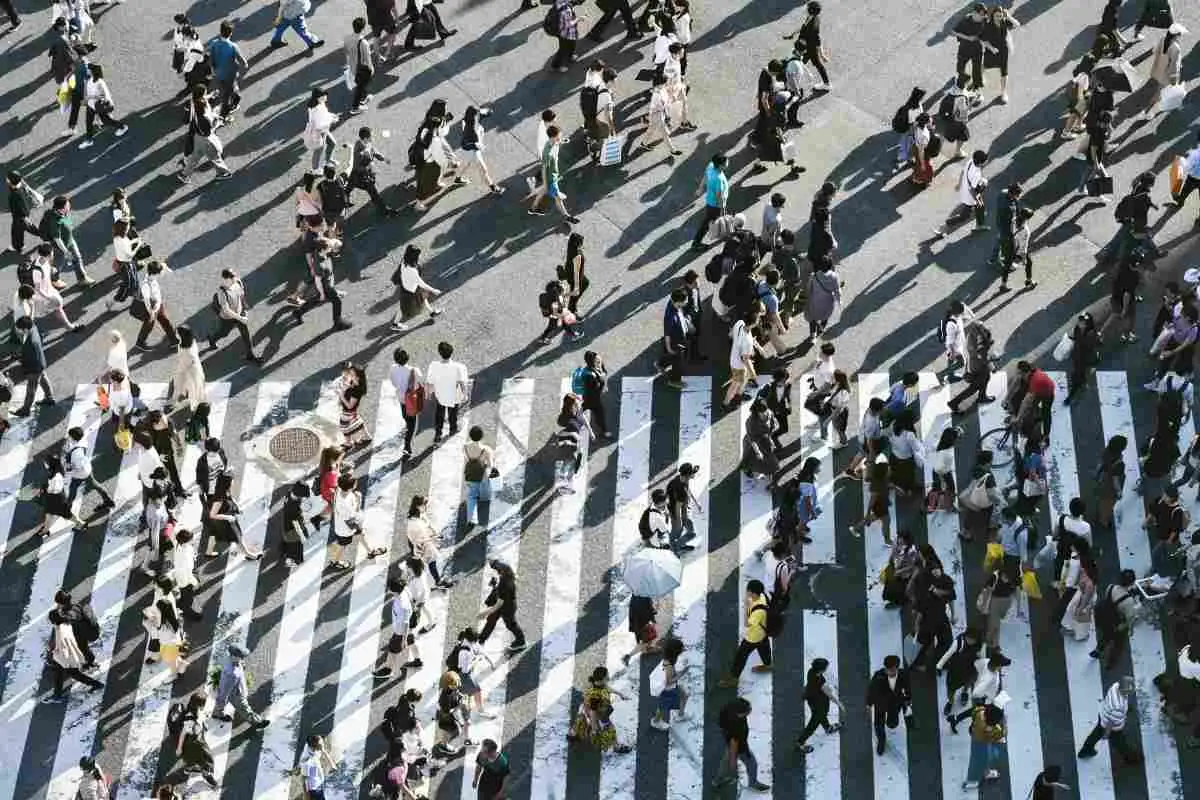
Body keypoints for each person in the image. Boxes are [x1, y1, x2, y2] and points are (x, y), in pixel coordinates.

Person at [719, 580, 772, 687]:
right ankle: (768, 665)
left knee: (740, 656)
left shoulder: (758, 611)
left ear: (753, 593)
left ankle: (734, 678)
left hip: (753, 637)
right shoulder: (763, 596)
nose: (747, 592)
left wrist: (746, 606)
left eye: (748, 591)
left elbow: (747, 624)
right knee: (764, 648)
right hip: (763, 633)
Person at [1078, 677, 1141, 764]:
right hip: (1113, 727)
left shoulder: (1115, 686)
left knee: (1097, 732)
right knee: (1120, 743)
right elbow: (1111, 722)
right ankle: (1130, 758)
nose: (1134, 689)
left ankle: (1086, 750)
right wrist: (1107, 733)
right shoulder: (1118, 707)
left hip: (1104, 714)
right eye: (1131, 688)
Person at [45, 607, 104, 700]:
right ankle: (57, 694)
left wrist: (52, 651)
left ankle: (96, 684)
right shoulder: (70, 621)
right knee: (60, 669)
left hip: (70, 654)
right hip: (76, 648)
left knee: (70, 672)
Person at [713, 698, 770, 792]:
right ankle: (753, 783)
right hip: (738, 746)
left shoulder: (729, 709)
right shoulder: (736, 727)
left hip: (730, 741)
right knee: (752, 763)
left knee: (725, 762)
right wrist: (744, 753)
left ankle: (717, 780)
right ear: (739, 713)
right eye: (747, 711)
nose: (749, 711)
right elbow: (734, 746)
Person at [179, 93, 233, 183]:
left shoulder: (195, 111)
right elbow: (210, 129)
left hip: (198, 138)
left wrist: (210, 96)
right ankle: (223, 173)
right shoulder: (205, 118)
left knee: (195, 157)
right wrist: (221, 122)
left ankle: (185, 175)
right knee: (215, 156)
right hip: (207, 140)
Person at [934, 150, 989, 238]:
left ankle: (980, 224)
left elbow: (963, 172)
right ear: (980, 163)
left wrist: (959, 184)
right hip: (970, 196)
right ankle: (943, 227)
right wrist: (977, 197)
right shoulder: (976, 174)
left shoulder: (971, 161)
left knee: (981, 207)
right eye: (985, 161)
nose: (987, 162)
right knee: (964, 216)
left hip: (965, 189)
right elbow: (973, 189)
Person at [212, 644, 270, 728]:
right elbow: (224, 693)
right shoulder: (231, 674)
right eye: (240, 656)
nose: (242, 658)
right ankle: (257, 722)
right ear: (234, 656)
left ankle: (217, 713)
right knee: (245, 709)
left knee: (224, 703)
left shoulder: (231, 661)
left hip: (235, 689)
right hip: (236, 694)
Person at [794, 657, 845, 752]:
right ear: (821, 669)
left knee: (822, 715)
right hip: (819, 703)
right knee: (813, 724)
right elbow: (829, 695)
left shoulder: (811, 672)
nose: (827, 668)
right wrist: (839, 704)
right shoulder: (819, 681)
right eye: (826, 667)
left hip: (812, 700)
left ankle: (827, 727)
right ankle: (800, 742)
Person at [390, 244, 444, 331]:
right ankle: (394, 324)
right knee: (402, 308)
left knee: (422, 298)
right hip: (410, 292)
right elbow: (421, 283)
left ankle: (432, 312)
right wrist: (434, 290)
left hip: (408, 288)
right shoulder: (412, 270)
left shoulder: (404, 261)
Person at [866, 654, 912, 755]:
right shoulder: (878, 676)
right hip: (880, 704)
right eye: (887, 669)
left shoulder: (903, 675)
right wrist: (869, 704)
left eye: (892, 670)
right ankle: (881, 741)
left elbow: (908, 688)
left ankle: (891, 722)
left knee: (892, 724)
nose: (889, 672)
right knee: (878, 724)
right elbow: (871, 690)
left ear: (897, 668)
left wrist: (908, 700)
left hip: (895, 704)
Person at [477, 559, 527, 652]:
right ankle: (481, 639)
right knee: (491, 620)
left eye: (498, 570)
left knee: (511, 625)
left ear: (502, 572)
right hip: (506, 603)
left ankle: (521, 642)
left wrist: (484, 613)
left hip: (507, 608)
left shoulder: (503, 585)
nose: (496, 571)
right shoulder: (510, 575)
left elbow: (499, 604)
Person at [1139, 23, 1185, 120]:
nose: (1180, 36)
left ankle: (1148, 111)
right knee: (1159, 93)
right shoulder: (1176, 48)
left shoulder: (1163, 39)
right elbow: (1174, 66)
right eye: (1180, 34)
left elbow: (1155, 51)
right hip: (1168, 76)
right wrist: (1174, 81)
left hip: (1159, 70)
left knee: (1160, 91)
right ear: (1176, 35)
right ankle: (1146, 112)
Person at [64, 425, 114, 514]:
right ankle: (108, 500)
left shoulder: (76, 453)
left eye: (70, 436)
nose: (68, 437)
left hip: (80, 474)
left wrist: (69, 467)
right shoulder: (81, 443)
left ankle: (67, 506)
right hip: (87, 470)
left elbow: (78, 466)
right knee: (94, 484)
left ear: (73, 438)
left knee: (73, 489)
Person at [426, 341, 469, 442]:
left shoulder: (434, 366)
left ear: (440, 353)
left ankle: (438, 433)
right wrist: (465, 394)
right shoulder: (459, 367)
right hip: (453, 396)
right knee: (453, 414)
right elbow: (462, 382)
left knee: (439, 414)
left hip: (440, 395)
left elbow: (429, 382)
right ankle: (453, 429)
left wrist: (428, 394)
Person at [173, 690, 217, 787]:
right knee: (206, 760)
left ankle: (188, 769)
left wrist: (202, 725)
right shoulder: (190, 718)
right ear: (199, 704)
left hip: (195, 740)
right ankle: (206, 775)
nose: (205, 706)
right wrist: (179, 748)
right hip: (193, 744)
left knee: (192, 760)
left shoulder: (192, 710)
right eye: (204, 704)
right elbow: (183, 733)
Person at [206, 20, 247, 120]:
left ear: (220, 31)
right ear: (231, 33)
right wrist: (238, 69)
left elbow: (207, 53)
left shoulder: (214, 43)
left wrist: (212, 69)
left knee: (225, 89)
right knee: (227, 94)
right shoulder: (233, 46)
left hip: (217, 73)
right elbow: (244, 64)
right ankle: (225, 113)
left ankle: (235, 98)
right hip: (229, 75)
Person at [649, 637, 690, 730]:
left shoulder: (670, 658)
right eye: (682, 648)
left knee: (684, 695)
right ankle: (656, 721)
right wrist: (682, 673)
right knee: (663, 706)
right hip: (668, 689)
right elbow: (668, 682)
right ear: (676, 651)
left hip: (671, 686)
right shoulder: (669, 666)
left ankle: (680, 714)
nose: (684, 649)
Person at [963, 704, 1006, 788]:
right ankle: (974, 780)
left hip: (975, 734)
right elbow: (999, 736)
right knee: (983, 760)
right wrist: (1004, 726)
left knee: (979, 759)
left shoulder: (980, 713)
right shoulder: (992, 729)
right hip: (983, 741)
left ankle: (980, 775)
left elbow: (975, 711)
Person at [692, 153, 729, 249]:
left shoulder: (711, 166)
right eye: (726, 162)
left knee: (709, 220)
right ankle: (696, 243)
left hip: (710, 201)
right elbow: (719, 196)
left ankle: (724, 233)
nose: (728, 162)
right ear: (721, 166)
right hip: (716, 205)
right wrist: (722, 209)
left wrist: (700, 188)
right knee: (708, 223)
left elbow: (705, 176)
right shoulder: (719, 179)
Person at [982, 5, 1019, 103]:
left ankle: (1003, 93)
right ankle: (980, 77)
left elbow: (1017, 25)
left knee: (1004, 72)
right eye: (997, 16)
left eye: (1000, 16)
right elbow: (984, 40)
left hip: (1003, 51)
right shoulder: (988, 26)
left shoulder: (1004, 22)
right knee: (986, 66)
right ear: (993, 16)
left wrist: (1009, 16)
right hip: (991, 51)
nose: (999, 18)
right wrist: (992, 49)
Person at [463, 425, 495, 529]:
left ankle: (472, 518)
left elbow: (466, 459)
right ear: (481, 436)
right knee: (485, 495)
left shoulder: (465, 447)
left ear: (470, 435)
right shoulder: (486, 450)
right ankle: (484, 500)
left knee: (471, 496)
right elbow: (490, 465)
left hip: (471, 474)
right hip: (483, 475)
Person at [952, 3, 987, 91]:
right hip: (964, 49)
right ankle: (963, 80)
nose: (982, 17)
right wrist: (968, 38)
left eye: (984, 15)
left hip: (977, 50)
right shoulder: (965, 20)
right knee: (960, 68)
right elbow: (954, 32)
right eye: (981, 14)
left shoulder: (984, 20)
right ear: (975, 13)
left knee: (977, 70)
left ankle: (976, 87)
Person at [7, 171, 44, 254]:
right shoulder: (20, 186)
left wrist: (24, 217)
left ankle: (18, 246)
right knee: (21, 230)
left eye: (8, 178)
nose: (7, 179)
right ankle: (19, 245)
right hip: (21, 216)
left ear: (10, 181)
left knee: (19, 230)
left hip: (20, 217)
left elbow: (22, 207)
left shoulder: (15, 194)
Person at [344, 17, 375, 114]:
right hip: (362, 69)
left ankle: (363, 98)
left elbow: (346, 52)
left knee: (360, 84)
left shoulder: (347, 38)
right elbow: (367, 58)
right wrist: (371, 68)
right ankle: (355, 107)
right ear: (363, 28)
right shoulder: (364, 43)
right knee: (360, 87)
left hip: (353, 66)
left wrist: (348, 64)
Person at [300, 734, 338, 800]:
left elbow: (333, 767)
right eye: (321, 744)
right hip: (314, 790)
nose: (323, 745)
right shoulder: (307, 761)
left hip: (320, 786)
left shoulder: (316, 750)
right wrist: (306, 796)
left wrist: (324, 751)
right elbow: (303, 779)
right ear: (314, 745)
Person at [548, 0, 581, 73]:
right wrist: (578, 19)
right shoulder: (564, 9)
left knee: (572, 43)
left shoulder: (565, 5)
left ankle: (570, 55)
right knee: (563, 49)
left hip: (569, 31)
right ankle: (556, 65)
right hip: (564, 32)